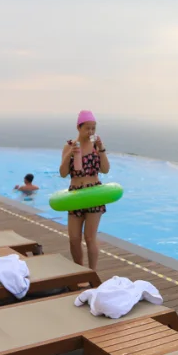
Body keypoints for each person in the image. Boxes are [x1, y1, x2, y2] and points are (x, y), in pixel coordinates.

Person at [59, 110, 109, 270]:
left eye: (93, 128)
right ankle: (79, 271)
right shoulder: (69, 146)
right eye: (87, 128)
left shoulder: (96, 146)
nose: (91, 132)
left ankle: (92, 273)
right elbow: (63, 173)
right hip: (75, 194)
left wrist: (102, 149)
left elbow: (105, 169)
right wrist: (70, 154)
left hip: (94, 193)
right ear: (78, 128)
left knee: (90, 238)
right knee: (74, 238)